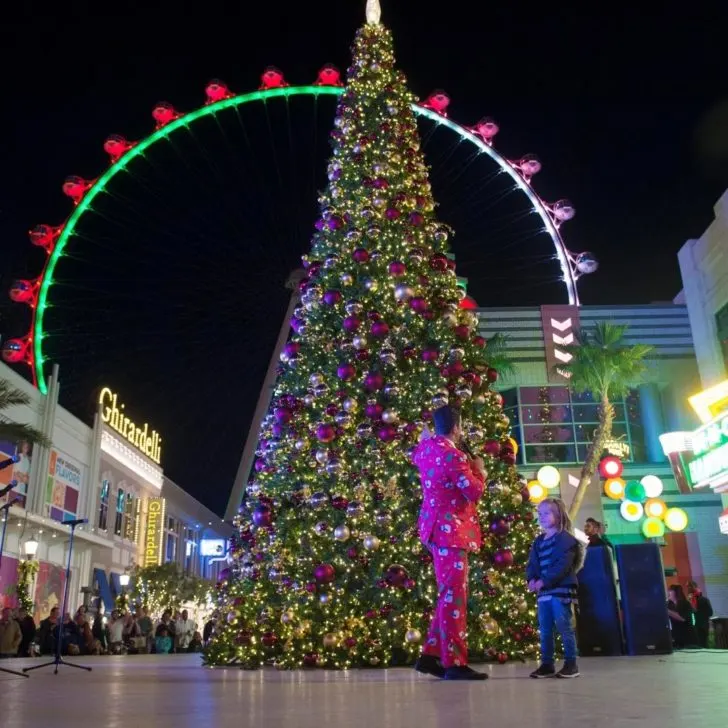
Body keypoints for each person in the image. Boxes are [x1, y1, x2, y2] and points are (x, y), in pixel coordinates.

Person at [411, 405, 487, 681]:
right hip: (451, 532)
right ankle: (454, 663)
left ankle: (430, 657)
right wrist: (480, 471)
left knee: (448, 594)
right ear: (456, 428)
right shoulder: (453, 455)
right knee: (454, 596)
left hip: (433, 530)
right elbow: (474, 491)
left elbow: (419, 452)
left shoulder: (426, 449)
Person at [527, 497, 585, 679]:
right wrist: (531, 579)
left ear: (559, 516)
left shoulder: (566, 541)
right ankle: (547, 664)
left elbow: (562, 566)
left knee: (564, 626)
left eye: (547, 513)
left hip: (560, 591)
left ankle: (571, 664)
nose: (542, 517)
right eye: (540, 513)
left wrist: (544, 581)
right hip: (543, 593)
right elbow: (532, 564)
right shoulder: (539, 541)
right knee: (544, 629)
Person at [667, 584, 696, 649]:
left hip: (687, 637)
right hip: (676, 637)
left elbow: (682, 618)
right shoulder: (669, 604)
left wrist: (667, 611)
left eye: (670, 591)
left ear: (676, 592)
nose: (668, 592)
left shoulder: (685, 604)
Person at [687, 581, 713, 648]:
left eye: (690, 586)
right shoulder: (688, 601)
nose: (688, 588)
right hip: (693, 627)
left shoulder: (704, 600)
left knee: (703, 645)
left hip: (701, 626)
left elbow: (710, 612)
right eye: (687, 587)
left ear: (695, 587)